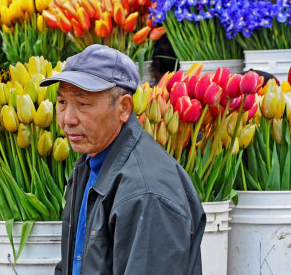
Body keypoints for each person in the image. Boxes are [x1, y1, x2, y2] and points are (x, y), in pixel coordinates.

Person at [40, 44, 206, 275]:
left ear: (124, 108)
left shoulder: (147, 192)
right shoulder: (90, 163)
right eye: (62, 103)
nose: (67, 119)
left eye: (83, 104)